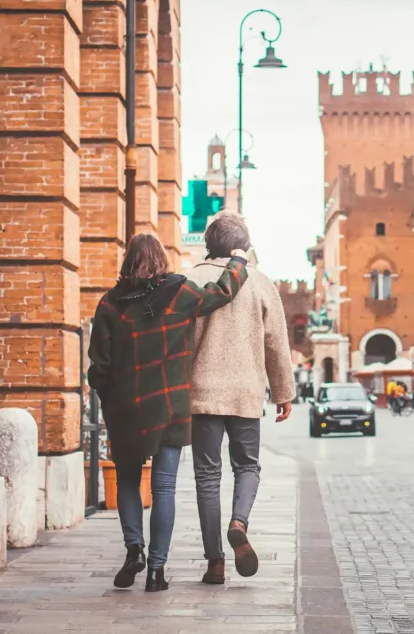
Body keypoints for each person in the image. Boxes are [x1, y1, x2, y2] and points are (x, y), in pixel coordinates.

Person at [88, 234, 248, 592]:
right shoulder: (180, 293)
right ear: (161, 259)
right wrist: (239, 260)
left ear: (129, 262)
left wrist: (113, 400)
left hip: (127, 407)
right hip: (170, 404)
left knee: (128, 481)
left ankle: (134, 550)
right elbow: (222, 292)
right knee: (164, 487)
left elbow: (98, 366)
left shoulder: (111, 304)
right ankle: (157, 570)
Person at [187, 212, 295, 586]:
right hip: (246, 391)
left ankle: (215, 563)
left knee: (206, 476)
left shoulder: (190, 279)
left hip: (200, 393)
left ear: (209, 243)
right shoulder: (261, 283)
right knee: (247, 467)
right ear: (242, 246)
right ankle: (239, 522)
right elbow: (276, 344)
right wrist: (284, 392)